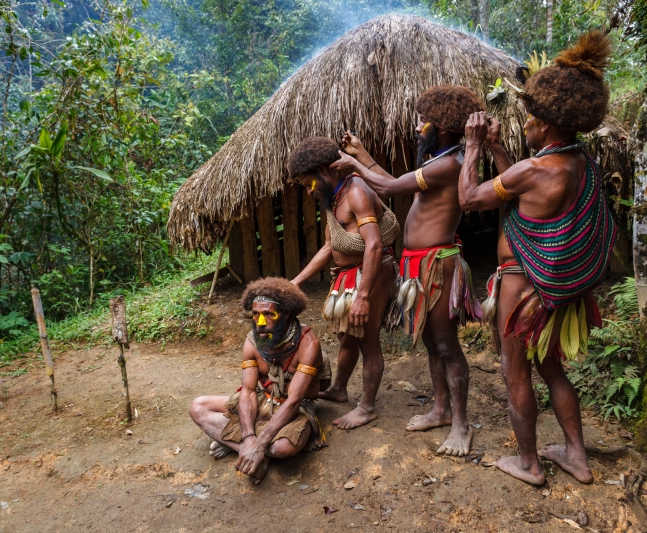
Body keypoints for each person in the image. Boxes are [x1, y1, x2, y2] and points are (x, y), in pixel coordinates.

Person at [457, 30, 617, 485]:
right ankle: (576, 456)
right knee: (551, 367)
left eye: (528, 120)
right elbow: (522, 184)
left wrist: (471, 145)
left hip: (522, 285)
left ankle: (528, 464)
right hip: (554, 290)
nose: (525, 124)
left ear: (545, 124)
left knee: (516, 373)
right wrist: (494, 148)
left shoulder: (538, 168)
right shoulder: (576, 160)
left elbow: (470, 198)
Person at [331, 85, 483, 456]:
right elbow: (392, 182)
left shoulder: (450, 164)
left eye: (422, 121)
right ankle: (441, 409)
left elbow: (389, 187)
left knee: (447, 346)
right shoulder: (438, 161)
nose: (417, 128)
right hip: (419, 264)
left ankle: (461, 425)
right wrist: (362, 154)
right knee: (433, 343)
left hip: (437, 264)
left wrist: (354, 165)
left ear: (443, 127)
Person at [288, 137, 400, 430]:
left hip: (372, 273)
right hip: (348, 274)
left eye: (307, 183)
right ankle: (339, 388)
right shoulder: (333, 198)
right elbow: (329, 247)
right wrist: (296, 281)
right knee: (346, 336)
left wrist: (363, 296)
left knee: (367, 339)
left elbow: (374, 246)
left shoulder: (357, 192)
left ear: (324, 171)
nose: (308, 190)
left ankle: (367, 407)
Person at [189, 278, 331, 483]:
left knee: (283, 448)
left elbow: (295, 399)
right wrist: (248, 439)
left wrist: (260, 443)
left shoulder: (307, 343)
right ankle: (245, 449)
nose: (261, 323)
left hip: (296, 406)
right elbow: (247, 391)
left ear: (287, 313)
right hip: (263, 397)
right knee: (198, 407)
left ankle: (233, 443)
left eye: (268, 314)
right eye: (256, 314)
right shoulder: (252, 341)